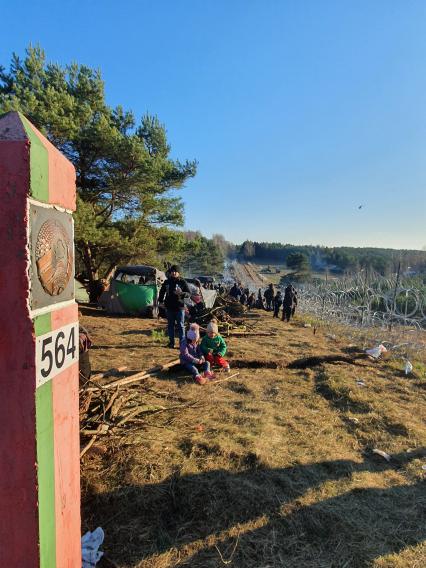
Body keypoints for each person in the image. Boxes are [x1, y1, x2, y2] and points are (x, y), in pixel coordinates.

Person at [158, 265, 191, 348]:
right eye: (172, 271)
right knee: (170, 325)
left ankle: (182, 344)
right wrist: (160, 301)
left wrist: (181, 293)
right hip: (169, 307)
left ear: (179, 273)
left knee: (181, 326)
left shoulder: (182, 282)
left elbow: (189, 294)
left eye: (175, 271)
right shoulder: (167, 282)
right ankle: (171, 343)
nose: (174, 273)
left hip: (180, 307)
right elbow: (162, 292)